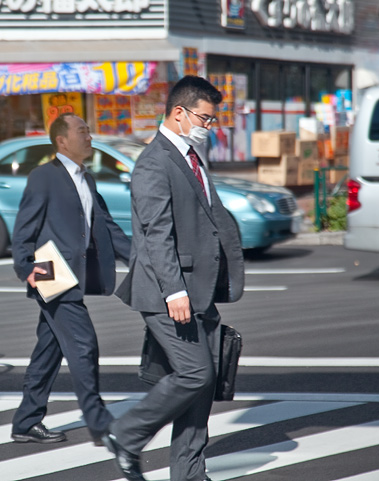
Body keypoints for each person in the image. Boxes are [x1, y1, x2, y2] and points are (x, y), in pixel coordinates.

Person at [104, 76, 246, 481]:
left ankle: (189, 474)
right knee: (195, 374)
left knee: (203, 381)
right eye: (205, 118)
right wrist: (175, 290)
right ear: (179, 113)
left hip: (197, 290)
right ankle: (125, 433)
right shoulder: (154, 161)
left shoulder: (189, 157)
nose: (208, 127)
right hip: (168, 293)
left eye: (213, 120)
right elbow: (155, 234)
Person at [11, 113, 131, 445]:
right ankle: (100, 423)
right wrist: (25, 267)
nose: (89, 136)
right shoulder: (43, 176)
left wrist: (142, 258)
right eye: (82, 131)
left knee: (49, 350)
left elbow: (107, 228)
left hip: (73, 274)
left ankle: (26, 421)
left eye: (89, 131)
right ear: (62, 140)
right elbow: (24, 227)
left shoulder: (87, 179)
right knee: (83, 346)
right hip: (51, 274)